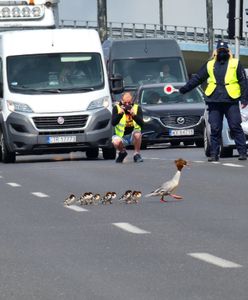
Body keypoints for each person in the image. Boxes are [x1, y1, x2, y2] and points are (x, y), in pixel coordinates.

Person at [179, 40, 248, 161]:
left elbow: (243, 82)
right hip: (214, 101)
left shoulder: (235, 63)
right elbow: (198, 78)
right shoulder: (210, 64)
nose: (222, 52)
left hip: (231, 101)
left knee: (235, 126)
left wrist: (244, 99)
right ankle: (214, 154)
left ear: (228, 51)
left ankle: (242, 152)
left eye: (224, 50)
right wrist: (184, 89)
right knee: (215, 128)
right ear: (216, 52)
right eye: (220, 50)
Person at [112, 91, 144, 163]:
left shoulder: (137, 108)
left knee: (138, 134)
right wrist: (119, 114)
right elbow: (113, 123)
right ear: (121, 101)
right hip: (121, 136)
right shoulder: (116, 108)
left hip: (133, 135)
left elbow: (142, 124)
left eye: (129, 103)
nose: (127, 105)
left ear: (132, 101)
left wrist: (134, 115)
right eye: (125, 103)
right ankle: (122, 152)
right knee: (115, 141)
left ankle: (137, 154)